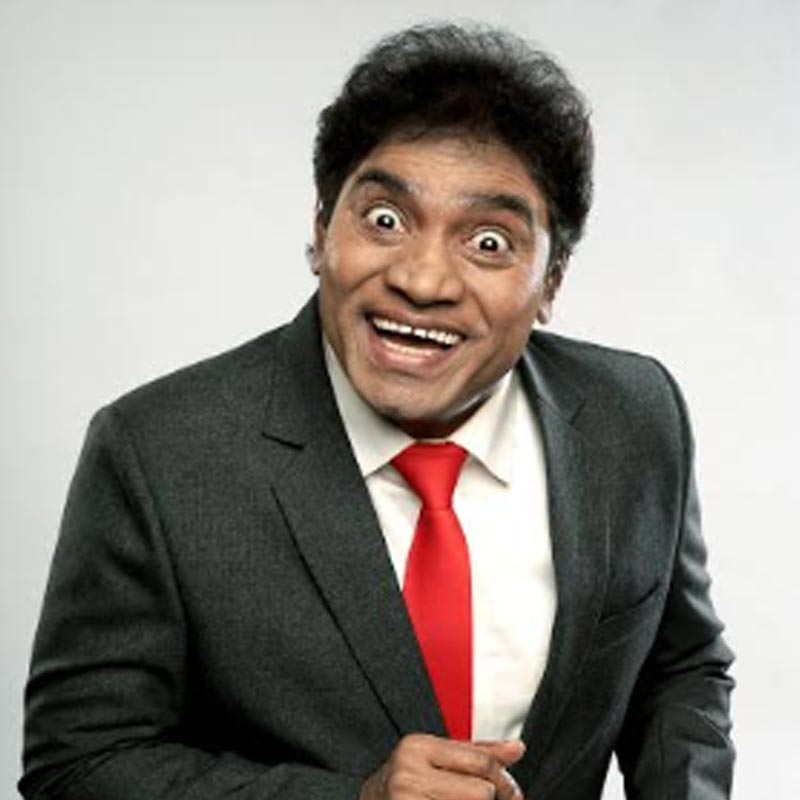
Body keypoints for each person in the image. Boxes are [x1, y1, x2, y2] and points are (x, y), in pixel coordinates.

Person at [20, 22, 734, 800]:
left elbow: (681, 672)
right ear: (320, 227)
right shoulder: (158, 453)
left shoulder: (636, 415)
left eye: (489, 242)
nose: (423, 281)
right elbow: (78, 762)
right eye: (386, 219)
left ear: (551, 281)